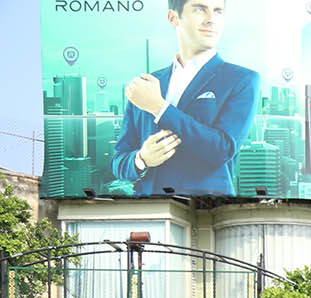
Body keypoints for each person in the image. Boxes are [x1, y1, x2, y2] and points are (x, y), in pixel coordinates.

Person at [111, 0, 260, 196]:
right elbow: (118, 161)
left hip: (204, 210)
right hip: (148, 209)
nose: (211, 19)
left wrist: (160, 108)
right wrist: (142, 159)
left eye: (218, 12)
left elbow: (222, 149)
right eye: (200, 9)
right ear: (173, 18)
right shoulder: (148, 84)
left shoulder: (242, 79)